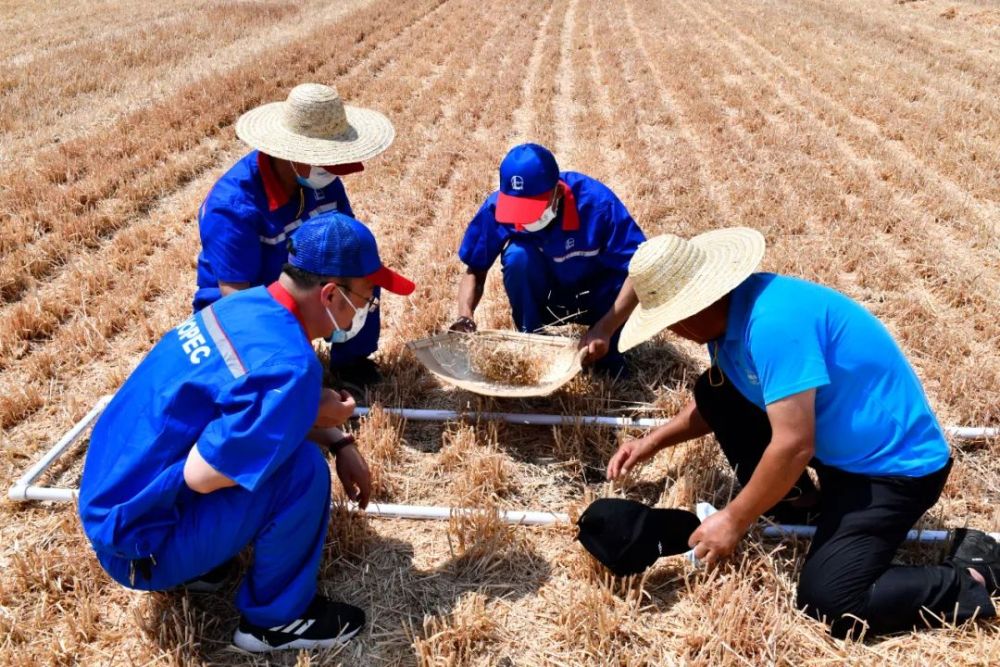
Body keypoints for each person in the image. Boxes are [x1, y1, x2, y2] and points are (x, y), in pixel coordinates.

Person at [605, 228, 998, 637]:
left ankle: (975, 575)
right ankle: (804, 503)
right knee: (714, 391)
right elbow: (724, 399)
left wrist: (734, 520)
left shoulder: (773, 324)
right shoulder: (727, 322)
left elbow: (794, 444)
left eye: (673, 322)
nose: (674, 333)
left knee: (832, 601)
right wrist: (650, 443)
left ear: (695, 308)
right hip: (838, 456)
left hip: (893, 471)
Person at [79, 212, 415, 652]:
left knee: (274, 452)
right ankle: (276, 621)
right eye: (368, 297)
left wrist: (337, 437)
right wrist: (313, 426)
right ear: (331, 295)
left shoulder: (247, 305)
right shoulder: (290, 368)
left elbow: (244, 408)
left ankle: (205, 565)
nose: (369, 310)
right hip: (139, 547)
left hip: (113, 506)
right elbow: (202, 475)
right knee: (302, 472)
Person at [193, 82, 396, 393]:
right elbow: (236, 296)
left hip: (303, 282)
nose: (333, 169)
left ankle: (351, 361)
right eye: (325, 159)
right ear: (288, 153)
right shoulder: (233, 206)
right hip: (250, 299)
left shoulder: (323, 181)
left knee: (362, 271)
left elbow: (346, 245)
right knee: (280, 384)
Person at [451, 143, 646, 377]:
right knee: (518, 256)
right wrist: (465, 316)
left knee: (608, 366)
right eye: (516, 209)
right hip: (546, 301)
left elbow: (640, 270)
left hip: (595, 299)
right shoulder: (496, 208)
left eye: (530, 209)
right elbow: (475, 270)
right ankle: (532, 340)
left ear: (557, 191)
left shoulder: (597, 205)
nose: (522, 220)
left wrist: (605, 328)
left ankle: (608, 348)